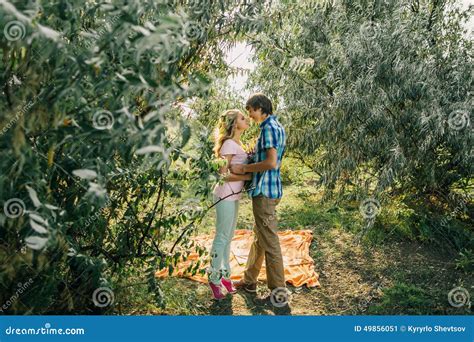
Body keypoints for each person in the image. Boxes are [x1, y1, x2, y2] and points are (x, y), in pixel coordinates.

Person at [231, 93, 287, 304]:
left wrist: (245, 167)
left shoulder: (269, 129)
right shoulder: (276, 126)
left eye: (251, 111)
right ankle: (250, 280)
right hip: (271, 189)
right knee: (259, 237)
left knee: (270, 242)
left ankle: (278, 292)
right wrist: (255, 156)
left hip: (265, 192)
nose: (250, 115)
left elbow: (271, 163)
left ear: (260, 108)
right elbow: (270, 159)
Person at [208, 109, 252, 300]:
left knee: (229, 237)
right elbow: (223, 175)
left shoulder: (237, 144)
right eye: (243, 117)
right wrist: (248, 175)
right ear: (234, 123)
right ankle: (213, 277)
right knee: (222, 237)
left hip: (234, 196)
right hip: (224, 195)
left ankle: (225, 275)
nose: (247, 119)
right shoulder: (228, 144)